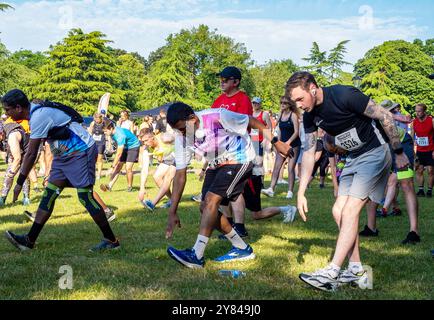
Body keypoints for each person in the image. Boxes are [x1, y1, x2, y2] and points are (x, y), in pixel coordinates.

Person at [287, 72, 409, 292]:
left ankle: (332, 271)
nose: (298, 105)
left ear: (313, 88)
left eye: (299, 99)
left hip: (375, 152)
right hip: (352, 158)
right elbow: (308, 152)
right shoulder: (309, 115)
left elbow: (385, 116)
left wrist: (399, 152)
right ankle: (356, 269)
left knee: (351, 210)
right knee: (338, 211)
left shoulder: (344, 94)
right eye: (294, 101)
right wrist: (301, 191)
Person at [165, 102, 291, 268]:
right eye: (177, 130)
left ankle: (196, 254)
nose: (181, 133)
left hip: (240, 159)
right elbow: (180, 175)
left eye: (182, 128)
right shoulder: (182, 138)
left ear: (193, 119)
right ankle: (241, 248)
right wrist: (172, 211)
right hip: (216, 164)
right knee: (205, 207)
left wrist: (277, 143)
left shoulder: (217, 116)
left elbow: (252, 121)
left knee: (211, 200)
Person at [2, 89, 119, 251]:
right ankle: (29, 241)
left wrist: (19, 183)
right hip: (63, 156)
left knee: (85, 196)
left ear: (18, 107)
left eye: (7, 110)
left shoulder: (38, 116)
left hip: (81, 151)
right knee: (49, 194)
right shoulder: (34, 112)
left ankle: (112, 241)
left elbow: (30, 154)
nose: (7, 114)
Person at [360, 100, 420, 245]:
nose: (393, 114)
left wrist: (398, 117)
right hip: (382, 148)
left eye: (393, 111)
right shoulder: (365, 118)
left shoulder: (388, 118)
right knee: (372, 185)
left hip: (402, 144)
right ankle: (371, 227)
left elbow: (392, 118)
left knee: (406, 185)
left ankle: (414, 231)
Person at [262, 96, 301, 199]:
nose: (282, 104)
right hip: (282, 144)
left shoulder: (293, 115)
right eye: (281, 102)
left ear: (290, 104)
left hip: (294, 145)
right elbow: (279, 129)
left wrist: (288, 143)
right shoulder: (280, 114)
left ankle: (290, 192)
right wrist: (277, 143)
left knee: (290, 168)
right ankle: (271, 189)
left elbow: (297, 132)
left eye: (285, 103)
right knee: (276, 167)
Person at [139, 128, 176, 210]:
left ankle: (154, 203)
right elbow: (144, 169)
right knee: (157, 176)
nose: (145, 143)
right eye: (143, 142)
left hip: (178, 157)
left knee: (168, 176)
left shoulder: (163, 137)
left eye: (146, 140)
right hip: (167, 160)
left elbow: (180, 139)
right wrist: (142, 188)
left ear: (152, 137)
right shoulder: (146, 149)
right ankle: (172, 200)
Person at [100, 119, 140, 192]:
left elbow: (118, 154)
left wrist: (112, 167)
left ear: (111, 128)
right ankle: (109, 186)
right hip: (125, 146)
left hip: (133, 146)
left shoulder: (120, 135)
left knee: (128, 167)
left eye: (105, 131)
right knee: (118, 166)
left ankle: (129, 187)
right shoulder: (112, 133)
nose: (105, 133)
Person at [0, 117, 31, 206]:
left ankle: (26, 198)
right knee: (10, 174)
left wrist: (10, 173)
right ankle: (3, 198)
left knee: (21, 174)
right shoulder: (6, 130)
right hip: (15, 151)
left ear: (1, 133)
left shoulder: (12, 135)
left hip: (25, 151)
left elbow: (17, 158)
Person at [411, 103, 434, 197]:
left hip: (431, 150)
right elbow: (412, 137)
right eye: (416, 111)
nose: (417, 113)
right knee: (419, 170)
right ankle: (420, 190)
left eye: (419, 111)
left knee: (430, 170)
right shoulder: (414, 122)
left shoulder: (431, 120)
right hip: (420, 151)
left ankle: (429, 190)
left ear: (424, 111)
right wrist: (412, 151)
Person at [88, 112, 106, 180]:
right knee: (92, 158)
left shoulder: (104, 123)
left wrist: (109, 143)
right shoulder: (92, 123)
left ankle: (99, 174)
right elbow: (89, 132)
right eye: (95, 119)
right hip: (93, 142)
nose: (97, 120)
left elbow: (107, 133)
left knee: (99, 158)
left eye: (98, 119)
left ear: (101, 118)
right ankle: (92, 173)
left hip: (101, 142)